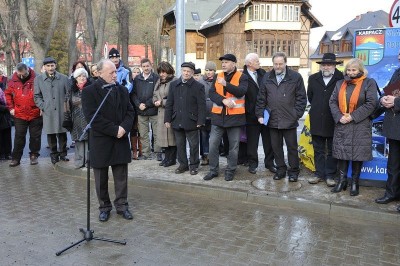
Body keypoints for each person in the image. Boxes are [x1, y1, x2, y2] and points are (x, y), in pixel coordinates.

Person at [82, 59, 135, 222]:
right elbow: (93, 117)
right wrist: (114, 130)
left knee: (121, 176)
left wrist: (124, 128)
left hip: (120, 138)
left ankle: (122, 205)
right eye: (111, 72)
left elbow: (130, 111)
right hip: (101, 140)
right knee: (101, 177)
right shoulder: (89, 91)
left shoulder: (122, 90)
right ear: (99, 73)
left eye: (116, 71)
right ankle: (104, 207)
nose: (115, 75)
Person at [329, 58, 378, 196]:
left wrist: (352, 116)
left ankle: (355, 183)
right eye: (348, 70)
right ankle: (342, 181)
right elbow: (332, 102)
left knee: (357, 154)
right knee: (342, 154)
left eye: (354, 70)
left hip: (360, 125)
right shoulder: (340, 83)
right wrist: (339, 117)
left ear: (360, 70)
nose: (350, 73)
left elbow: (371, 103)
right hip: (342, 124)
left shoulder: (369, 83)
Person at [256, 52, 307, 182]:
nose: (278, 66)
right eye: (276, 64)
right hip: (272, 119)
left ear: (285, 63)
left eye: (280, 63)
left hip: (289, 119)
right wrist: (260, 114)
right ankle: (281, 169)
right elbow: (261, 98)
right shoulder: (267, 77)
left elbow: (301, 98)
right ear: (272, 64)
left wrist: (296, 114)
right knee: (276, 147)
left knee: (292, 147)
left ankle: (294, 171)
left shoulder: (295, 77)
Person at [203, 54, 248, 181]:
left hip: (235, 118)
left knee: (233, 147)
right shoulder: (218, 76)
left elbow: (241, 92)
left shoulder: (242, 77)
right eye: (222, 62)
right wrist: (223, 100)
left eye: (226, 62)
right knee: (213, 145)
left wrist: (226, 84)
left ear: (234, 64)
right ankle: (213, 170)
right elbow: (212, 93)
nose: (223, 64)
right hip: (218, 117)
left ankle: (231, 170)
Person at [307, 53, 344, 187]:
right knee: (318, 149)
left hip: (333, 119)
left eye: (329, 64)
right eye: (324, 64)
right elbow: (310, 97)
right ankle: (319, 174)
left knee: (332, 149)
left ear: (334, 66)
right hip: (317, 118)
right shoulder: (313, 78)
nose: (326, 67)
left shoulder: (341, 78)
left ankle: (330, 175)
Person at [164, 62, 206, 175]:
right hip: (177, 119)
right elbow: (169, 103)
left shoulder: (198, 87)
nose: (186, 73)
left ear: (192, 73)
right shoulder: (173, 85)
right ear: (181, 71)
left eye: (188, 71)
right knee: (180, 144)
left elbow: (202, 105)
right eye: (184, 71)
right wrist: (167, 119)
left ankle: (194, 165)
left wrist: (200, 121)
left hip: (191, 121)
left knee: (193, 145)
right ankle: (183, 165)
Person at [243, 53, 276, 175]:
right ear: (249, 63)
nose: (259, 62)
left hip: (266, 113)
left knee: (268, 141)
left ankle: (269, 163)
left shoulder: (264, 74)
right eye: (256, 61)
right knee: (252, 142)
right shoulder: (243, 76)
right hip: (251, 115)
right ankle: (253, 164)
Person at [375, 50, 400, 207]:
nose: (399, 57)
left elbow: (396, 98)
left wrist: (396, 102)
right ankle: (392, 193)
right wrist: (384, 99)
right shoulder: (397, 72)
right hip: (395, 127)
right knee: (393, 164)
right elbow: (389, 91)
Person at [34, 57, 70, 164]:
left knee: (62, 133)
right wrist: (43, 106)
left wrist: (66, 107)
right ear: (44, 67)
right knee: (51, 134)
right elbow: (37, 96)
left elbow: (68, 94)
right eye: (48, 66)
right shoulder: (38, 79)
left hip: (61, 110)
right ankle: (54, 154)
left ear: (55, 66)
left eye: (52, 65)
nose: (50, 68)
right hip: (48, 111)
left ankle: (63, 153)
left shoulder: (63, 78)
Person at [5, 63, 42, 166]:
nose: (21, 76)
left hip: (35, 113)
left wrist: (41, 107)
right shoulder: (11, 80)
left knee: (35, 137)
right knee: (19, 137)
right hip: (19, 113)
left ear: (28, 70)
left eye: (24, 74)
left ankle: (34, 155)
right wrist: (11, 108)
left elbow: (43, 93)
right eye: (19, 74)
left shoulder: (37, 78)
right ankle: (16, 158)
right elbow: (7, 94)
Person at [131, 58, 161, 160]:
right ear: (141, 67)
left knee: (157, 133)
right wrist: (138, 104)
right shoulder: (137, 79)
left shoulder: (156, 78)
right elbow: (133, 94)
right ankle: (146, 153)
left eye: (147, 66)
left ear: (151, 66)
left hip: (153, 111)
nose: (146, 68)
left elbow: (156, 94)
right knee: (143, 134)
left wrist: (147, 104)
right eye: (143, 66)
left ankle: (158, 152)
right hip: (141, 111)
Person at [64, 68, 92, 169]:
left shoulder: (91, 88)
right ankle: (80, 161)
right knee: (79, 140)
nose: (82, 78)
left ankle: (89, 162)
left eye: (84, 76)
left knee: (89, 141)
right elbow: (66, 103)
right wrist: (67, 118)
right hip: (75, 119)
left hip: (89, 118)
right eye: (79, 76)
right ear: (76, 78)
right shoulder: (71, 90)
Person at [153, 62, 177, 167]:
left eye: (163, 72)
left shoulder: (174, 81)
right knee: (163, 139)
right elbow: (154, 94)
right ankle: (166, 158)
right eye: (160, 72)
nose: (162, 74)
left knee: (171, 138)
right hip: (161, 113)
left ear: (168, 71)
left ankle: (172, 159)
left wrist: (162, 102)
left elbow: (175, 98)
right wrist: (155, 101)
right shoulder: (159, 82)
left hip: (171, 113)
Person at [198, 61, 217, 166]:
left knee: (214, 137)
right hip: (204, 113)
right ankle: (204, 156)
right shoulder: (201, 82)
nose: (209, 72)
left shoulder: (218, 81)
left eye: (211, 70)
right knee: (204, 136)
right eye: (207, 70)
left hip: (215, 114)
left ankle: (212, 155)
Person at [130, 66, 142, 160]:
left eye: (138, 72)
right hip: (130, 109)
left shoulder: (141, 82)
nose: (136, 74)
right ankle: (134, 151)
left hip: (139, 108)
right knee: (133, 130)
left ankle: (141, 150)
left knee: (140, 130)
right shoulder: (129, 83)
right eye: (134, 72)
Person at [0, 88, 12, 160]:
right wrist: (4, 108)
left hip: (4, 116)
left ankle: (8, 153)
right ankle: (2, 154)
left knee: (6, 135)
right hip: (3, 110)